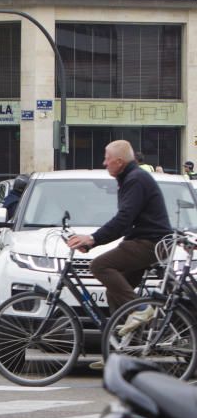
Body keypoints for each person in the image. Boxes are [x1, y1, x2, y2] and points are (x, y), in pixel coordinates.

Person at [67, 140, 171, 337]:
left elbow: (124, 220)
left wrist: (92, 238)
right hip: (146, 241)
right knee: (114, 292)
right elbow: (126, 222)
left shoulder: (135, 179)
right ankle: (118, 350)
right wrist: (91, 243)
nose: (104, 163)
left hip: (150, 243)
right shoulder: (131, 178)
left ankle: (140, 310)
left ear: (120, 161)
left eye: (107, 159)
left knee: (99, 266)